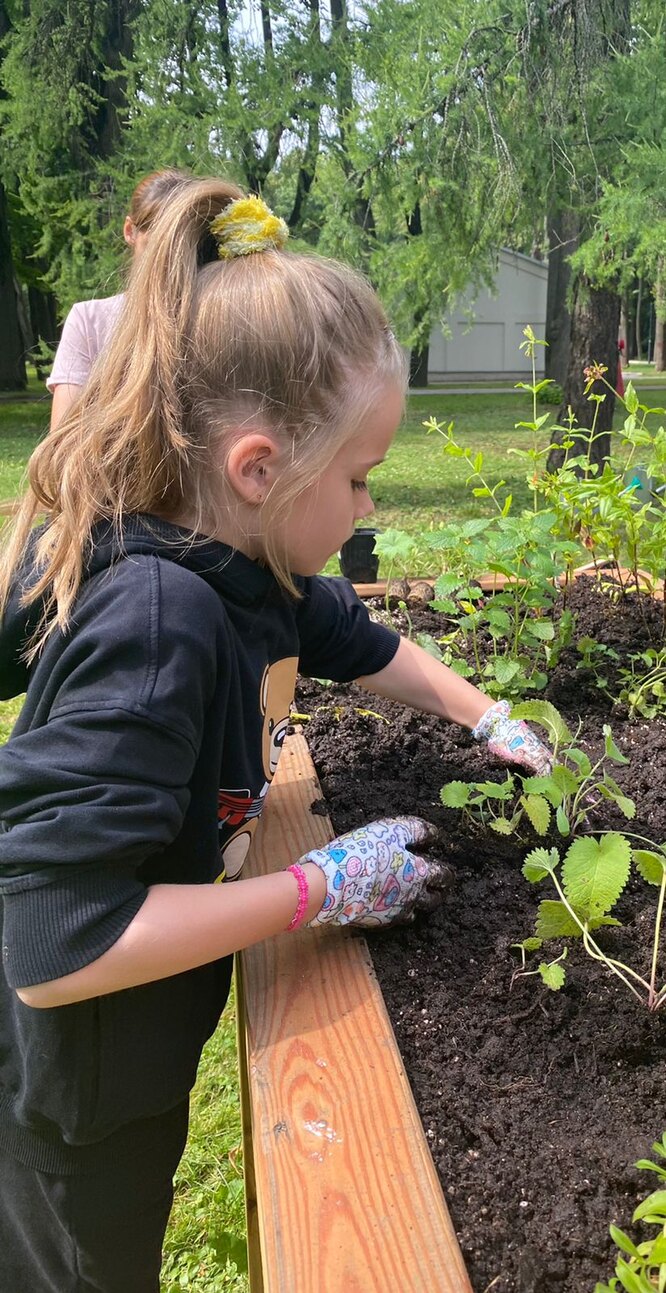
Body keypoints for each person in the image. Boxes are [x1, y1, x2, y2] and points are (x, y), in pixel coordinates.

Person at [0, 178, 553, 1292]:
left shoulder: (251, 567)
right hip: (76, 1095)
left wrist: (482, 714)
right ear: (260, 467)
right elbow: (54, 946)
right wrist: (317, 891)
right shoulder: (164, 622)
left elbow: (365, 641)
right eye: (357, 479)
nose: (363, 510)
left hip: (134, 1055)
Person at [47, 168, 194, 430]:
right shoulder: (90, 321)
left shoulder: (215, 319)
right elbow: (60, 451)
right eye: (154, 248)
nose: (166, 265)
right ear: (130, 231)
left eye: (180, 252)